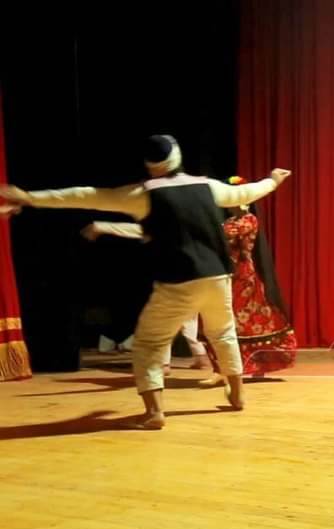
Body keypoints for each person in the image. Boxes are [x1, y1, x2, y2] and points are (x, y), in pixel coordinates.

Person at [0, 134, 291, 429]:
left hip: (179, 280)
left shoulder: (142, 194)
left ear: (150, 164)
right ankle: (237, 394)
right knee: (223, 333)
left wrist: (29, 197)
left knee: (149, 344)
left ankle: (154, 413)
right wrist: (273, 180)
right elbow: (246, 193)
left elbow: (85, 195)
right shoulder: (207, 185)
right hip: (217, 275)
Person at [82, 221, 212, 370]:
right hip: (195, 279)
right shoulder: (193, 231)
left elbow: (136, 230)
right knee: (188, 321)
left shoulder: (169, 229)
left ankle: (163, 363)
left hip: (175, 280)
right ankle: (201, 357)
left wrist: (100, 227)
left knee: (164, 322)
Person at [201, 201, 297, 382]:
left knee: (246, 321)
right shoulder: (229, 221)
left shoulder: (249, 220)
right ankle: (222, 369)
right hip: (225, 273)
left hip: (243, 277)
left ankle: (254, 364)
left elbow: (226, 238)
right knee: (220, 320)